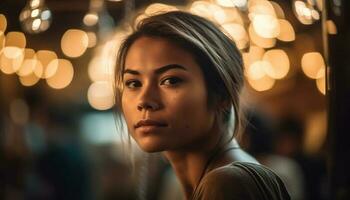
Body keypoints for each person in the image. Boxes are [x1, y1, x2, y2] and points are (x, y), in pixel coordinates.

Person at [114, 11, 290, 200]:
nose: (144, 101)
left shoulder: (227, 183)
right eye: (133, 83)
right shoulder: (218, 180)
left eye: (171, 80)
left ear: (222, 93)